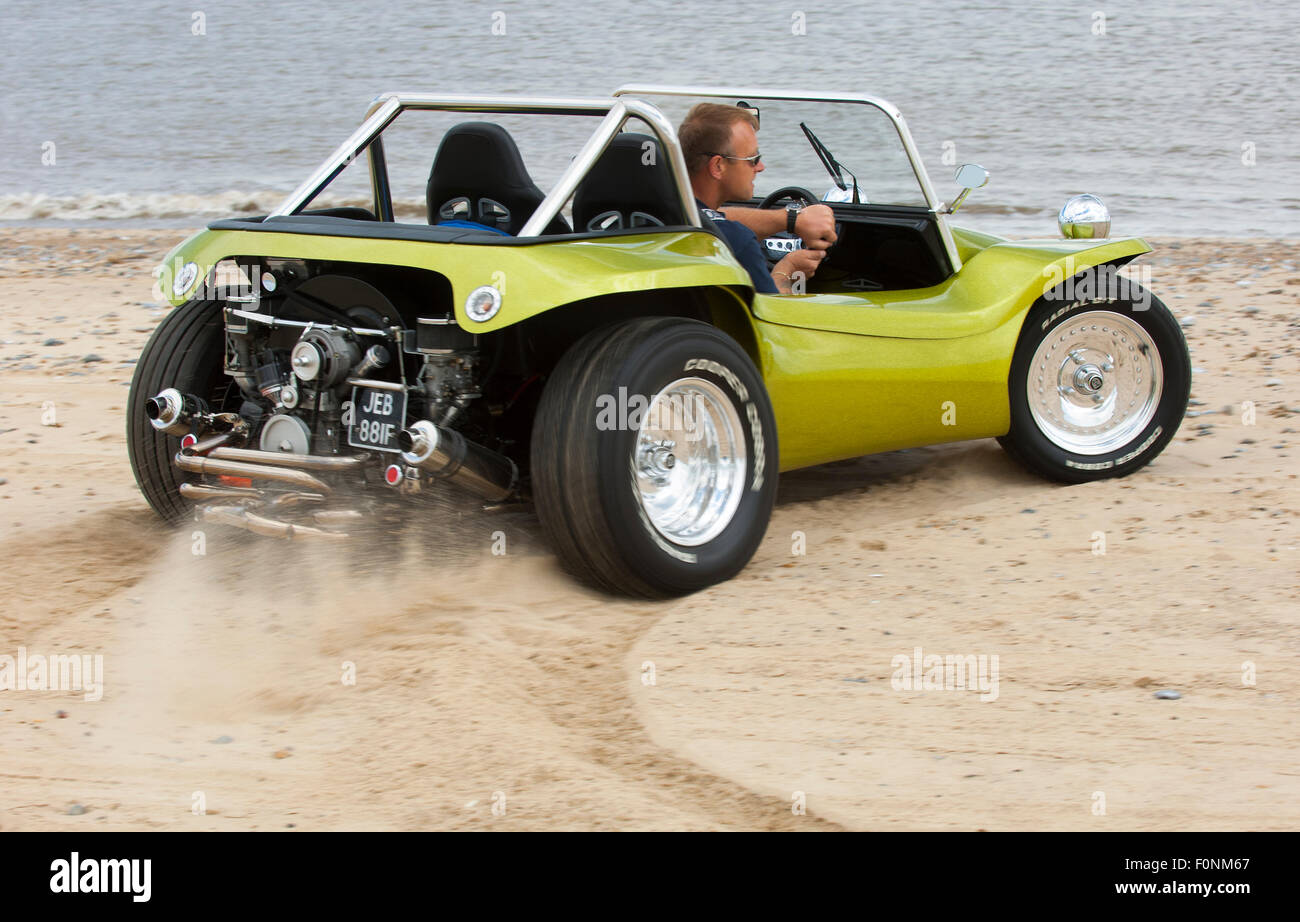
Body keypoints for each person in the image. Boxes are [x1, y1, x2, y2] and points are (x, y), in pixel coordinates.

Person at [678, 103, 837, 295]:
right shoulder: (736, 243)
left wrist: (792, 220)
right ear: (718, 166)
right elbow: (775, 319)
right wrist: (787, 271)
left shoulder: (660, 214)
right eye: (753, 159)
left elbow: (714, 217)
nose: (761, 167)